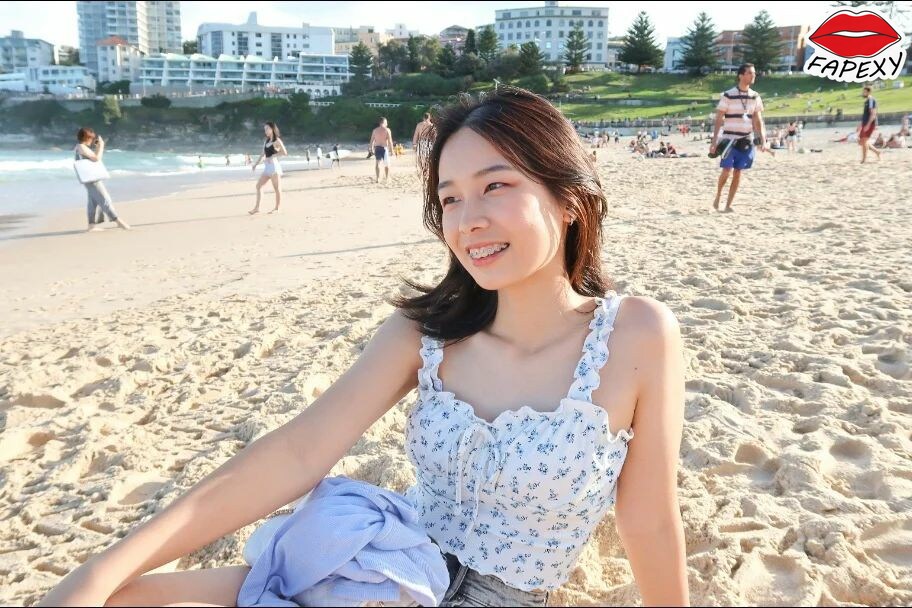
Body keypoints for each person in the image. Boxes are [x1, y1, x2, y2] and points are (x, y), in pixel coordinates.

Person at [40, 87, 689, 607]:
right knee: (122, 598)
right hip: (378, 562)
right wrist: (99, 570)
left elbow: (650, 521)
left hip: (501, 593)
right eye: (450, 198)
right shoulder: (426, 333)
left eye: (496, 186)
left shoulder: (636, 335)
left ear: (569, 199)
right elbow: (297, 452)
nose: (469, 220)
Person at [709, 63, 768, 212]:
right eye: (750, 73)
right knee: (726, 170)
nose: (753, 76)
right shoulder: (728, 95)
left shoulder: (755, 96)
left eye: (754, 73)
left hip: (746, 140)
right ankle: (718, 195)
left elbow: (758, 119)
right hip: (729, 140)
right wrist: (714, 141)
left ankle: (728, 205)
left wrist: (763, 139)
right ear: (741, 75)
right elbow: (719, 119)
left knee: (738, 171)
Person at [74, 127, 130, 232]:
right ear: (86, 137)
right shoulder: (81, 147)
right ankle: (118, 221)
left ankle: (91, 225)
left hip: (90, 178)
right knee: (105, 199)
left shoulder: (81, 147)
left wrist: (98, 147)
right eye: (91, 138)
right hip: (91, 179)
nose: (92, 140)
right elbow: (96, 159)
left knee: (93, 201)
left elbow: (94, 157)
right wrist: (102, 146)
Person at [248, 121, 287, 215]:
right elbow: (263, 154)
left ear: (272, 129)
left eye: (267, 129)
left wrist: (273, 156)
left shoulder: (277, 140)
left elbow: (284, 152)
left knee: (277, 188)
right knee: (258, 186)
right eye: (264, 129)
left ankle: (277, 208)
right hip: (267, 168)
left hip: (274, 167)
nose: (265, 131)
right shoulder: (266, 141)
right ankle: (257, 208)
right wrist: (255, 164)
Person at [858, 85, 881, 164]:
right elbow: (865, 115)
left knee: (864, 141)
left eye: (864, 92)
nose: (863, 93)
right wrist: (861, 125)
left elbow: (873, 114)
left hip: (870, 123)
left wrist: (868, 125)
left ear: (869, 92)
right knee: (861, 141)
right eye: (863, 91)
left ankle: (864, 159)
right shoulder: (867, 101)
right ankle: (877, 151)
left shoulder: (871, 100)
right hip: (865, 123)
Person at [370, 116, 394, 184]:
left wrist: (371, 148)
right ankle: (387, 178)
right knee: (387, 164)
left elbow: (372, 141)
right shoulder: (387, 130)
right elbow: (390, 141)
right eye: (386, 122)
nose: (387, 123)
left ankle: (378, 178)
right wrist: (392, 150)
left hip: (377, 148)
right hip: (384, 148)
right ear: (384, 122)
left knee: (377, 163)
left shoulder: (375, 130)